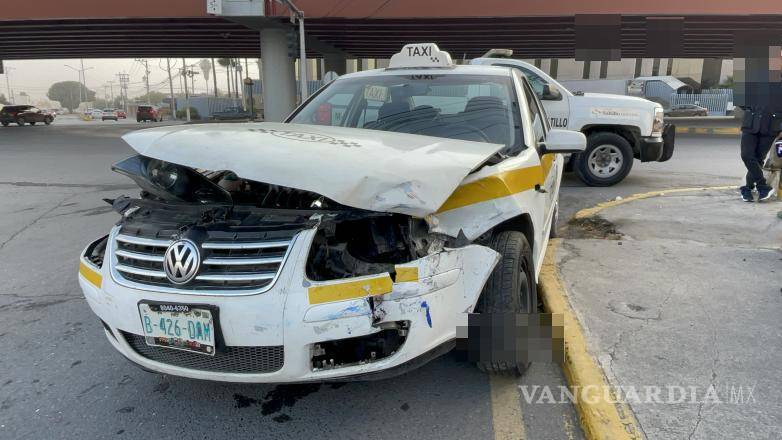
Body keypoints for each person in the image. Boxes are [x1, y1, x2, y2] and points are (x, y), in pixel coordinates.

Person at [739, 105, 782, 202]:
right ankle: (762, 186)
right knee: (746, 155)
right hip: (750, 124)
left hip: (771, 127)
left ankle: (748, 188)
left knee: (758, 159)